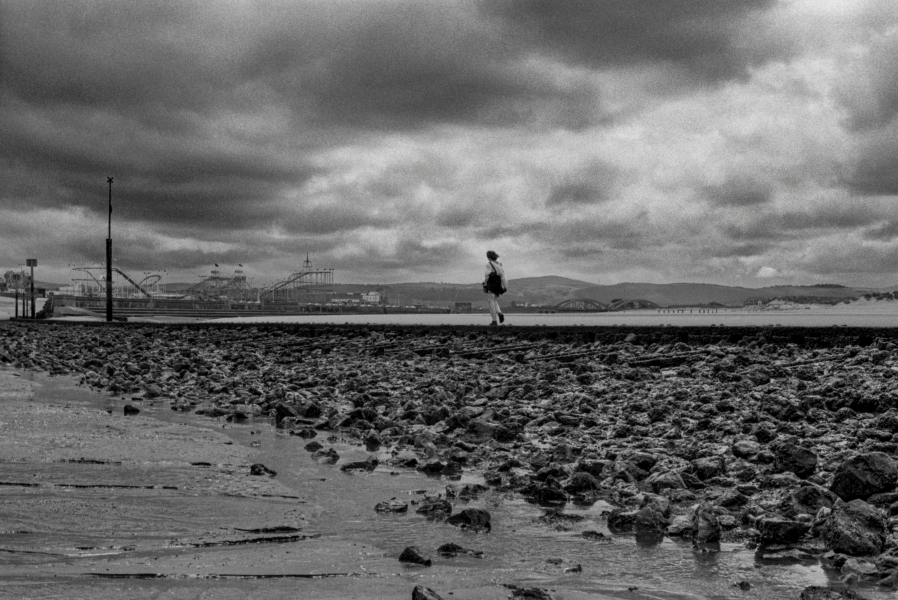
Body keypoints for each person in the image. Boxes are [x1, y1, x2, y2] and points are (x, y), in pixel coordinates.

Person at [483, 250, 507, 326]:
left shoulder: (489, 264)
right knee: (494, 300)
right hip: (498, 284)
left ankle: (494, 321)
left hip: (492, 283)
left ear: (489, 257)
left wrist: (485, 285)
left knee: (491, 302)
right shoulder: (499, 264)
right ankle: (499, 313)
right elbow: (503, 276)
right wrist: (504, 286)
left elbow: (487, 276)